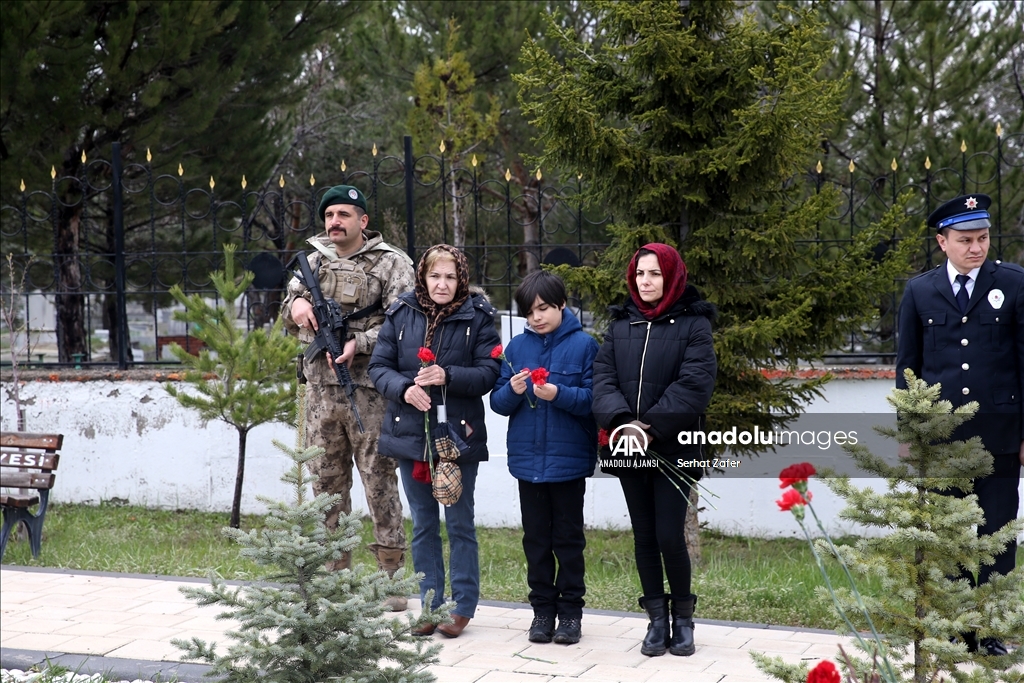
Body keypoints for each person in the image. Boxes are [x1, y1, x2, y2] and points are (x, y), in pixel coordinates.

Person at [895, 193, 1023, 657]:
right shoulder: (920, 291)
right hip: (941, 437)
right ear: (942, 242)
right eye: (965, 240)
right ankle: (953, 626)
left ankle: (990, 630)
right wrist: (911, 433)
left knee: (996, 534)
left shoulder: (1012, 283)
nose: (976, 248)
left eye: (983, 238)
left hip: (999, 435)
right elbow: (908, 367)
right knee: (947, 535)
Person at [282, 185, 415, 610]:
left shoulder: (392, 264)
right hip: (321, 392)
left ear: (363, 221)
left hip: (370, 391)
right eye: (329, 215)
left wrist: (361, 341)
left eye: (344, 214)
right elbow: (286, 310)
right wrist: (297, 308)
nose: (334, 222)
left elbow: (404, 323)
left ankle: (389, 579)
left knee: (380, 483)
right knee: (326, 488)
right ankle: (332, 577)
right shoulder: (313, 262)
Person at [369, 244, 501, 638]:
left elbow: (490, 370)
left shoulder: (477, 316)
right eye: (435, 276)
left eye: (450, 276)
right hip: (411, 434)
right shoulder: (401, 312)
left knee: (460, 523)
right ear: (422, 277)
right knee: (423, 524)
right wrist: (404, 388)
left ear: (461, 278)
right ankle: (429, 604)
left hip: (457, 436)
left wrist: (449, 376)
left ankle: (461, 607)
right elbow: (379, 366)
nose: (442, 284)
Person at [592, 243, 716, 658]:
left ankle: (684, 620)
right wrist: (623, 422)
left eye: (655, 274)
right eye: (640, 273)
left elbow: (695, 384)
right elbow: (603, 378)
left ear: (672, 276)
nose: (645, 281)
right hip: (628, 444)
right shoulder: (621, 325)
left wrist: (650, 426)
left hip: (674, 447)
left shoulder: (694, 324)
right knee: (644, 535)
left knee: (668, 534)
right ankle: (656, 621)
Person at [490, 270, 599, 645]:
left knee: (568, 539)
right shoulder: (516, 348)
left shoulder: (585, 345)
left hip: (568, 464)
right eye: (529, 312)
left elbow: (593, 401)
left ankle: (570, 614)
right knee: (535, 540)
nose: (536, 317)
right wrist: (515, 390)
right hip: (527, 463)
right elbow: (498, 403)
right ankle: (541, 612)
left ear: (562, 305)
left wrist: (559, 394)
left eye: (544, 308)